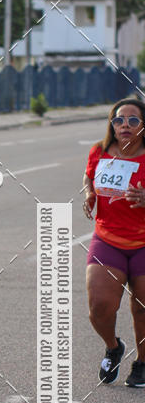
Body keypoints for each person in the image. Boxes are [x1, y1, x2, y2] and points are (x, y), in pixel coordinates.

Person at [83, 97, 145, 386]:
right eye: (119, 119)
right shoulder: (100, 151)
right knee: (99, 306)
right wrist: (90, 194)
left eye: (133, 120)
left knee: (141, 307)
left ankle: (142, 363)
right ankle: (113, 346)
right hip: (108, 239)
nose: (125, 125)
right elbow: (88, 178)